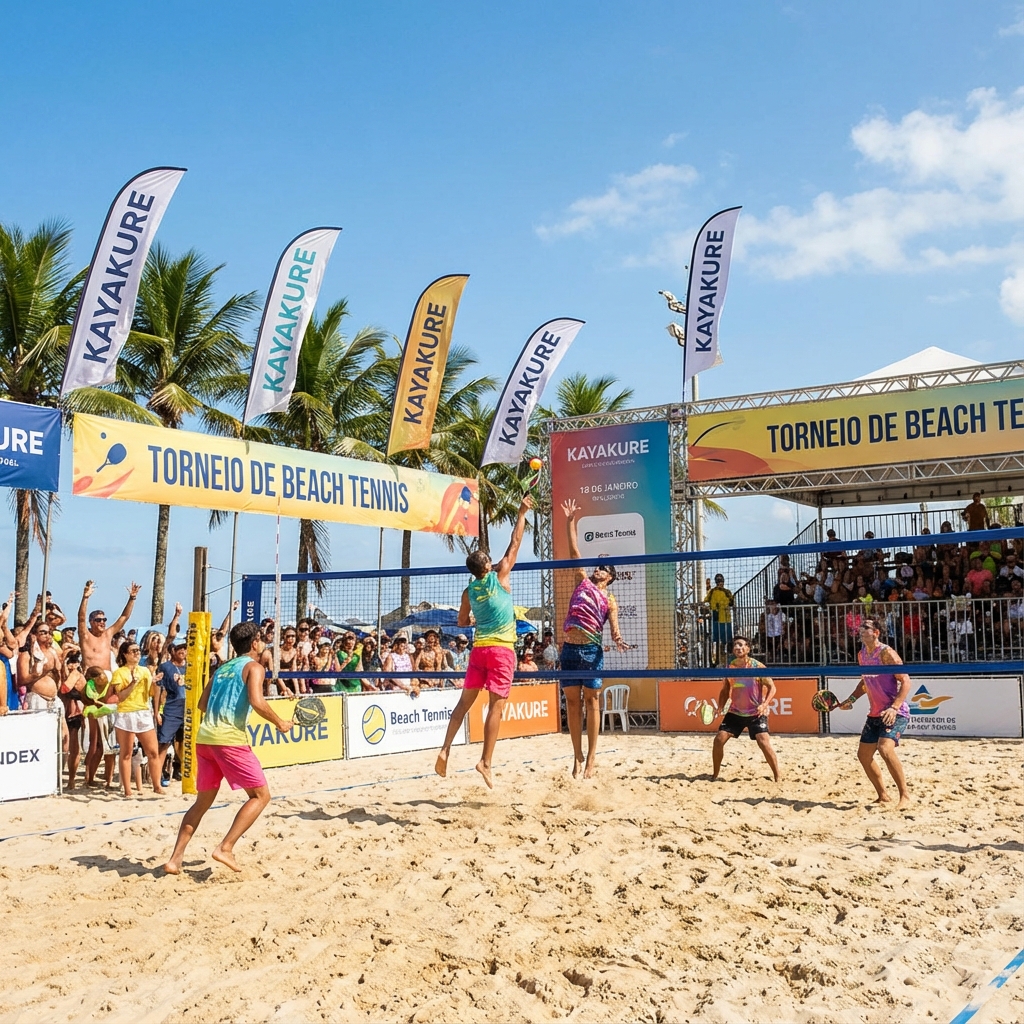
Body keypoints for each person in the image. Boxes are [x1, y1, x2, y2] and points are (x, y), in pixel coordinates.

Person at [163, 621, 293, 874]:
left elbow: (202, 703)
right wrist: (279, 722)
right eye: (262, 639)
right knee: (260, 796)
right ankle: (226, 847)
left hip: (205, 739)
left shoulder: (222, 668)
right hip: (229, 740)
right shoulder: (254, 667)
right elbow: (257, 701)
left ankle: (175, 860)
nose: (264, 642)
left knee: (202, 803)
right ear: (254, 643)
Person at [434, 495, 533, 789]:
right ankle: (485, 762)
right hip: (501, 650)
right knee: (496, 708)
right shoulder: (500, 576)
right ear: (487, 565)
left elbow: (461, 623)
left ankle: (445, 748)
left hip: (479, 650)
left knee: (464, 704)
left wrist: (477, 620)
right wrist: (523, 511)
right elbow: (515, 542)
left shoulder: (469, 592)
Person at [558, 498, 629, 779]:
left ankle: (592, 759)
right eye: (598, 566)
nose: (598, 569)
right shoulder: (582, 581)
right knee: (573, 705)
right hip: (570, 651)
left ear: (610, 577)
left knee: (592, 703)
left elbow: (614, 630)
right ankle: (576, 756)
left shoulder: (610, 600)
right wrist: (570, 520)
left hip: (591, 651)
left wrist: (620, 640)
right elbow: (575, 551)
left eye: (604, 568)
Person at [834, 618, 912, 810]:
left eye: (866, 627)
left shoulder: (886, 653)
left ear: (876, 632)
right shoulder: (862, 655)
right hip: (876, 713)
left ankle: (905, 796)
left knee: (885, 749)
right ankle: (883, 796)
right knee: (863, 755)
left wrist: (894, 707)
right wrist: (850, 700)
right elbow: (864, 683)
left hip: (895, 712)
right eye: (860, 628)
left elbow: (906, 681)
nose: (861, 630)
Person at [711, 635, 780, 782]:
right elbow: (725, 690)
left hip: (756, 712)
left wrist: (765, 704)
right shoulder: (730, 668)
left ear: (748, 649)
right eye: (736, 645)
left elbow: (772, 687)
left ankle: (777, 776)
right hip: (735, 712)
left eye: (742, 645)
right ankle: (715, 775)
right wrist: (720, 706)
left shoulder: (757, 667)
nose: (738, 647)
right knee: (718, 740)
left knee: (763, 743)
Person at [110, 639, 165, 798]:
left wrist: (155, 683)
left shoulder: (145, 671)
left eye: (138, 650)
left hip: (143, 711)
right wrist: (133, 682)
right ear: (125, 654)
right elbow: (120, 696)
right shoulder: (120, 672)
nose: (136, 653)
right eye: (133, 651)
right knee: (126, 753)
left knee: (153, 751)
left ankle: (157, 786)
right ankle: (128, 790)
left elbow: (152, 694)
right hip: (126, 713)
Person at [17, 621, 70, 753]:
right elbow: (22, 679)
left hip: (54, 698)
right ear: (34, 635)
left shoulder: (52, 652)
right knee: (40, 736)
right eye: (43, 632)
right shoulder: (26, 655)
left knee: (64, 736)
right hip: (37, 697)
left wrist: (63, 662)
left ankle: (58, 770)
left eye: (49, 632)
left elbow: (61, 676)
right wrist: (38, 673)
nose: (47, 635)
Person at [78, 580, 141, 675]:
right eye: (98, 620)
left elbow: (124, 617)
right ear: (91, 622)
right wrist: (85, 597)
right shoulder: (85, 636)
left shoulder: (108, 634)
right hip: (91, 679)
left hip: (107, 678)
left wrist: (132, 598)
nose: (102, 622)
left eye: (104, 619)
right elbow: (81, 618)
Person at [154, 641, 187, 784]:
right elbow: (158, 689)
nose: (183, 650)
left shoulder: (192, 666)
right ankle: (158, 775)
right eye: (179, 648)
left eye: (185, 648)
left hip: (188, 709)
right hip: (171, 708)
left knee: (183, 742)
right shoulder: (166, 667)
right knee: (164, 743)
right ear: (172, 650)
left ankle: (181, 771)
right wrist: (156, 712)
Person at [59, 650, 87, 790]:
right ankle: (64, 777)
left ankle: (71, 778)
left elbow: (67, 690)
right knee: (62, 747)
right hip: (62, 711)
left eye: (74, 662)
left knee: (74, 747)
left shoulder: (78, 675)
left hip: (74, 712)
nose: (72, 665)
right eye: (70, 662)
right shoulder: (60, 673)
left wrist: (71, 672)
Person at [707, 573, 735, 665]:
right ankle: (717, 660)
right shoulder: (712, 592)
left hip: (726, 619)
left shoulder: (727, 591)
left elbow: (731, 602)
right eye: (718, 581)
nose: (720, 583)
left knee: (728, 641)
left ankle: (729, 660)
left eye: (721, 581)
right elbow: (706, 600)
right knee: (717, 641)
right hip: (716, 618)